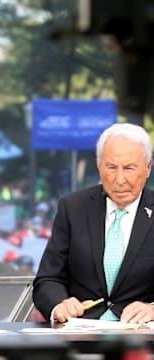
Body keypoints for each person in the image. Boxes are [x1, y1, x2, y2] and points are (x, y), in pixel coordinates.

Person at [33, 122, 154, 325]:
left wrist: (152, 309)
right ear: (99, 167)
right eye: (111, 167)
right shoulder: (72, 208)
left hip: (141, 337)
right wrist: (59, 305)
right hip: (81, 333)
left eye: (130, 168)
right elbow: (48, 279)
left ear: (148, 167)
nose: (120, 179)